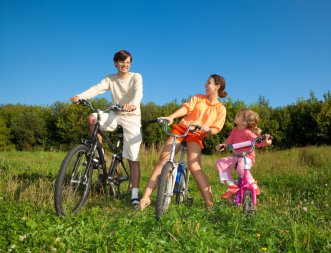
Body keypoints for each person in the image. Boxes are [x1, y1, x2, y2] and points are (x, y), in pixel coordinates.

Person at [139, 74, 228, 210]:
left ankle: (209, 204)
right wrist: (171, 117)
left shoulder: (220, 109)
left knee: (194, 166)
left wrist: (208, 130)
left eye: (208, 83)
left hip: (197, 134)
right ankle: (145, 198)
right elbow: (186, 108)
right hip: (182, 129)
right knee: (162, 161)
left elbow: (216, 129)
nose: (205, 85)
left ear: (217, 86)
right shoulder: (198, 97)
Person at [70, 50, 143, 206]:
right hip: (115, 114)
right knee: (92, 118)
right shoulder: (110, 79)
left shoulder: (136, 77)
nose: (125, 65)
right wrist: (80, 96)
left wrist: (133, 105)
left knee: (133, 158)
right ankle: (98, 153)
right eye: (122, 62)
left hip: (132, 116)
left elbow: (138, 93)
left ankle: (135, 195)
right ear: (115, 63)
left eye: (128, 62)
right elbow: (96, 89)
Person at [215, 108, 272, 197]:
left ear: (244, 122)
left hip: (247, 157)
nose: (236, 116)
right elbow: (228, 142)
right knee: (220, 162)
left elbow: (259, 142)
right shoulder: (234, 131)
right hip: (237, 157)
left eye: (238, 116)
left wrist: (265, 142)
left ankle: (252, 183)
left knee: (240, 167)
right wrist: (222, 146)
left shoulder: (248, 133)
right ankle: (231, 186)